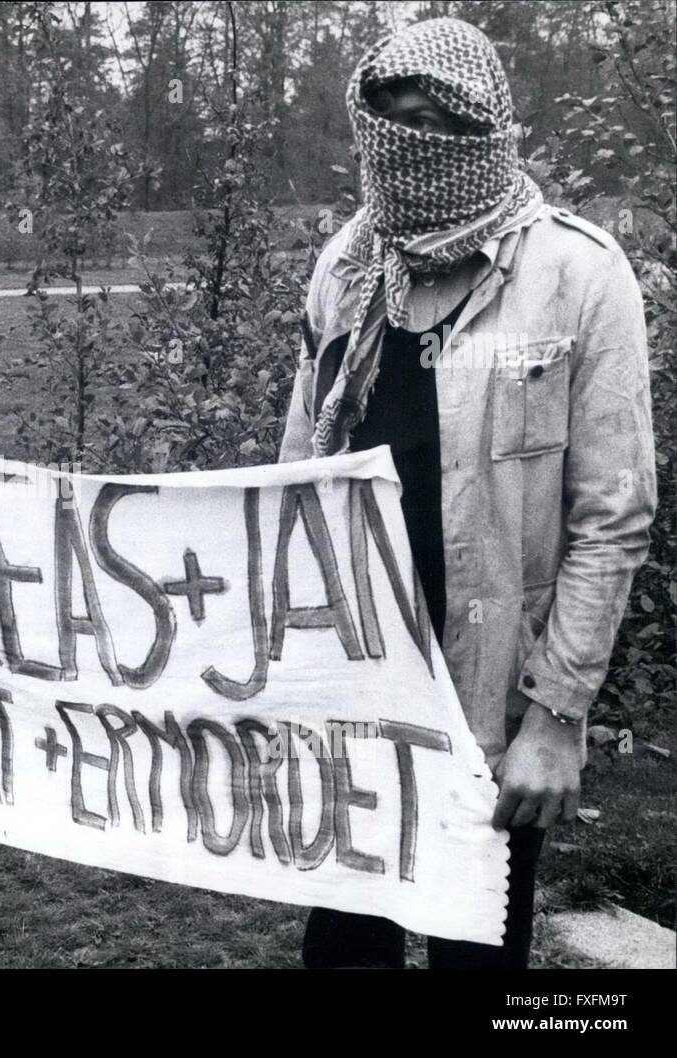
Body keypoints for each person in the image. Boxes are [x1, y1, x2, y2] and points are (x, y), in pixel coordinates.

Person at [278, 17, 656, 969]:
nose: (415, 142)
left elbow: (612, 515)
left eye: (442, 122)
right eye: (393, 120)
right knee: (343, 956)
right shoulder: (347, 268)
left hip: (491, 706)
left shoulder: (577, 272)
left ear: (490, 125)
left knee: (477, 969)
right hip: (358, 696)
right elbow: (296, 486)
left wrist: (557, 717)